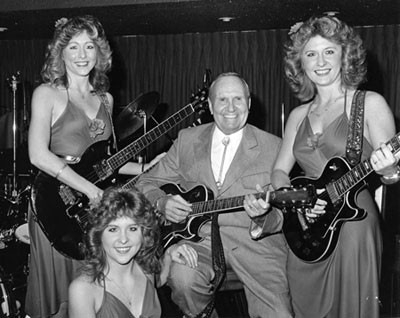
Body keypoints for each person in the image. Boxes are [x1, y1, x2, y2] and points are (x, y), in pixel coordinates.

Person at [26, 15, 162, 318]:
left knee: (89, 285)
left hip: (89, 211)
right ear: (60, 53)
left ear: (100, 52)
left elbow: (103, 162)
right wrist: (87, 188)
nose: (82, 55)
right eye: (73, 47)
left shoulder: (106, 99)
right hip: (54, 203)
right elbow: (37, 155)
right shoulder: (47, 93)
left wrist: (144, 167)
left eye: (89, 46)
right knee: (57, 291)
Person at [263, 15, 398, 318]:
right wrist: (297, 203)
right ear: (300, 62)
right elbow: (279, 171)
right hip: (307, 227)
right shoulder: (297, 116)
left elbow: (391, 177)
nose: (320, 62)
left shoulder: (369, 103)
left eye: (329, 51)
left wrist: (389, 170)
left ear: (344, 55)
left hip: (353, 224)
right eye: (311, 54)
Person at [135, 72, 293, 318]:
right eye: (222, 100)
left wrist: (263, 216)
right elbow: (147, 180)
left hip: (256, 245)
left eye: (238, 99)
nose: (231, 107)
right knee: (183, 279)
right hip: (199, 241)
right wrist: (162, 202)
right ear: (209, 105)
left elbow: (284, 215)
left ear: (249, 103)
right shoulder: (187, 140)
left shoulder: (274, 146)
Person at [68, 186, 198, 318]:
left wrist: (170, 254)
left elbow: (156, 283)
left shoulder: (145, 269)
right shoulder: (83, 290)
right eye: (113, 229)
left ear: (144, 233)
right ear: (98, 235)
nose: (123, 239)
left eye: (132, 228)